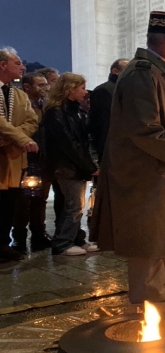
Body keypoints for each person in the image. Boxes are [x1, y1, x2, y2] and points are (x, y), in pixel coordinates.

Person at [91, 11, 165, 304]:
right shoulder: (142, 74)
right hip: (143, 174)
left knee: (159, 234)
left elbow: (162, 127)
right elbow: (144, 130)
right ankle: (149, 301)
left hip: (158, 169)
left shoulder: (156, 73)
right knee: (146, 238)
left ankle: (162, 288)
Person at [42, 73, 99, 256]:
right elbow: (67, 143)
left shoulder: (76, 111)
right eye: (81, 88)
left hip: (75, 165)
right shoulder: (56, 112)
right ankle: (62, 243)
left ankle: (77, 239)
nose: (85, 92)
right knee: (73, 204)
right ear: (70, 89)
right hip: (66, 165)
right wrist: (88, 166)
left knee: (77, 204)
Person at [0, 47, 40, 261]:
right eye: (17, 63)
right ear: (3, 65)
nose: (22, 67)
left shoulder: (19, 95)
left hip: (13, 157)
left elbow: (32, 120)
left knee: (9, 204)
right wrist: (21, 139)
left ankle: (3, 245)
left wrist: (13, 138)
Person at [12, 72, 52, 253]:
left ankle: (39, 234)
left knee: (40, 199)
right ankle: (19, 238)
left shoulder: (46, 106)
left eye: (46, 85)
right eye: (41, 85)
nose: (45, 88)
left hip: (44, 158)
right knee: (24, 201)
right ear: (27, 87)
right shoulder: (21, 104)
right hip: (26, 158)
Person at [89, 58, 129, 162]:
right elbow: (103, 123)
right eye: (128, 69)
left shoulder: (124, 90)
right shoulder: (104, 90)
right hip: (112, 149)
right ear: (115, 71)